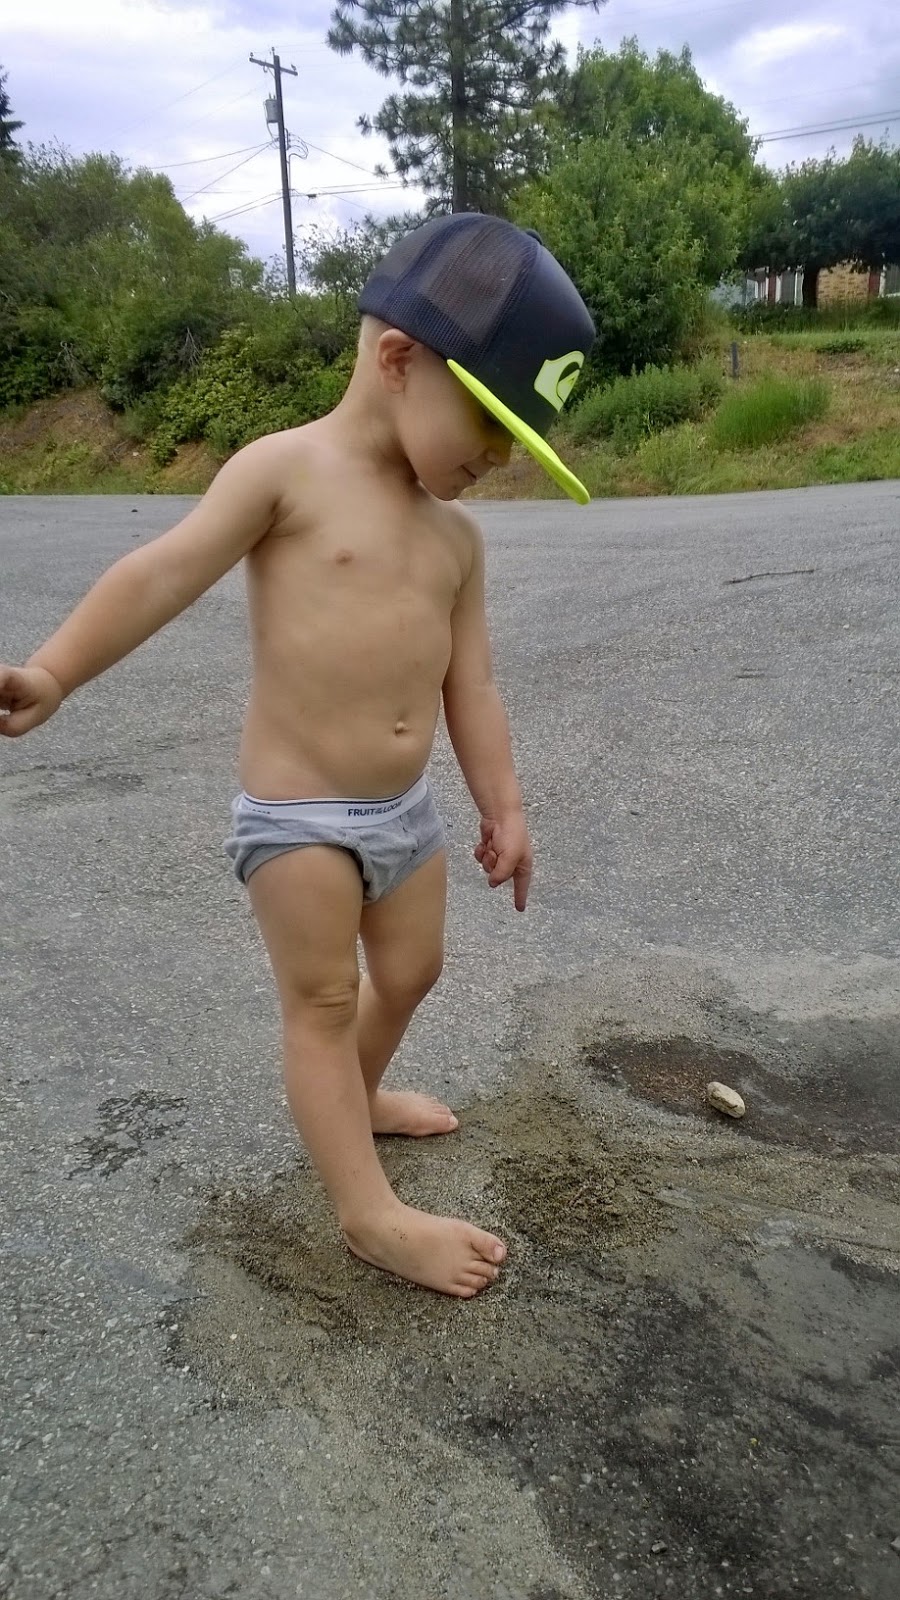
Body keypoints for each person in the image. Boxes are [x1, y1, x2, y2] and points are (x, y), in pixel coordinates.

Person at [0, 213, 595, 1298]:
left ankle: (353, 1105)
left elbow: (472, 686)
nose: (499, 458)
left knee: (411, 973)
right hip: (298, 819)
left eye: (518, 439)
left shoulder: (457, 539)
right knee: (322, 1001)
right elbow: (162, 572)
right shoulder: (285, 472)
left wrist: (504, 803)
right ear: (400, 360)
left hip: (406, 817)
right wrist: (53, 672)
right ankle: (369, 1216)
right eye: (491, 421)